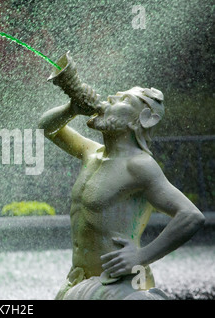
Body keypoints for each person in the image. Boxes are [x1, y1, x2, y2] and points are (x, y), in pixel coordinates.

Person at [38, 53, 205, 300]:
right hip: (80, 282)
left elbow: (191, 216)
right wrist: (72, 108)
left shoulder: (139, 165)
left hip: (123, 286)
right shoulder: (91, 153)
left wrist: (141, 256)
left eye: (124, 99)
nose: (110, 98)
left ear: (143, 120)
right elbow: (47, 128)